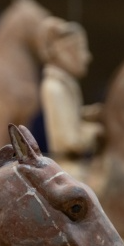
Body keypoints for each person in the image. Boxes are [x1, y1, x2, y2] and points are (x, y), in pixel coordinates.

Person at [38, 17, 103, 159]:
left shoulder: (64, 86)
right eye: (82, 49)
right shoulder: (55, 88)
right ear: (65, 53)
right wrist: (97, 132)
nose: (88, 57)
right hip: (69, 167)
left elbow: (69, 117)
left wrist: (85, 114)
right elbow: (69, 142)